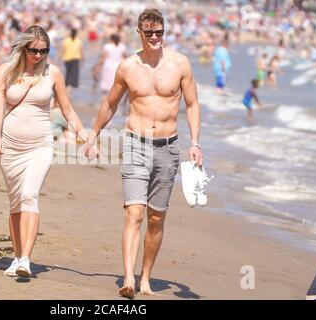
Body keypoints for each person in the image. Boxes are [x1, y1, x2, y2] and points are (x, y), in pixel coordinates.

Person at [85, 8, 203, 299]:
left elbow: (192, 105)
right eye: (149, 33)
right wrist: (93, 135)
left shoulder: (180, 64)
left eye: (159, 32)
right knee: (133, 214)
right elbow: (110, 104)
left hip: (168, 148)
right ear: (139, 33)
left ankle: (146, 278)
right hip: (136, 144)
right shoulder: (127, 67)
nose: (154, 38)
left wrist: (195, 142)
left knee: (156, 219)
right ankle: (128, 278)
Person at [0, 26, 89, 278]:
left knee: (29, 195)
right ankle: (16, 256)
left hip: (40, 146)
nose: (38, 55)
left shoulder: (52, 73)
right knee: (15, 203)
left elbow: (67, 110)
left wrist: (86, 136)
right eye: (34, 50)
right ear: (23, 48)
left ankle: (25, 260)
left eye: (44, 50)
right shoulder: (6, 70)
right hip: (10, 146)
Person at [61, 28, 83, 97]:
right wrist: (82, 60)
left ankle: (67, 90)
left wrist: (60, 59)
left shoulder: (66, 40)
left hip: (66, 59)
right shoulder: (78, 41)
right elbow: (81, 51)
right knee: (73, 75)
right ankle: (69, 92)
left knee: (67, 74)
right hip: (75, 59)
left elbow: (63, 50)